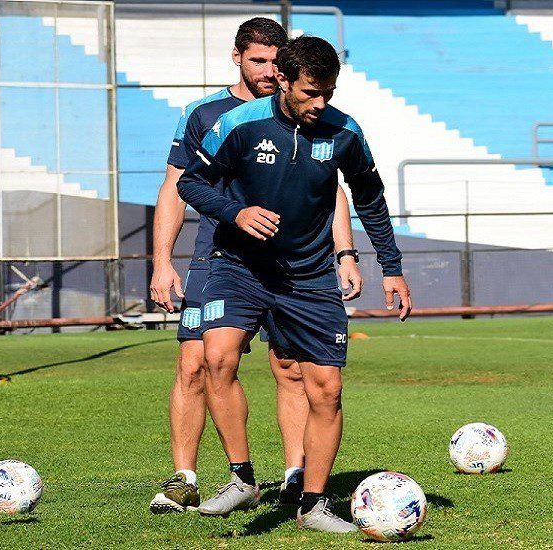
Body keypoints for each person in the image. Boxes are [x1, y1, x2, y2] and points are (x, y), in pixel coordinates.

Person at [178, 35, 412, 532]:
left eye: (328, 91)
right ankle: (242, 478)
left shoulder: (345, 132)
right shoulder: (238, 125)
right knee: (217, 356)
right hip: (239, 265)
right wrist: (235, 211)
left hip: (308, 276)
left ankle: (313, 504)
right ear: (283, 79)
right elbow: (189, 183)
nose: (320, 103)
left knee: (326, 388)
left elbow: (370, 198)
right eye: (311, 92)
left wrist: (390, 266)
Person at [148, 18, 364, 515]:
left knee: (291, 367)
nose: (268, 71)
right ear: (237, 57)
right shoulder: (206, 114)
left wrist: (345, 252)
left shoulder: (310, 116)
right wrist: (163, 261)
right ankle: (187, 479)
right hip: (220, 255)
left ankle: (296, 478)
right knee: (198, 361)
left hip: (295, 263)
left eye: (275, 61)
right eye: (257, 60)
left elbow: (332, 190)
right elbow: (176, 187)